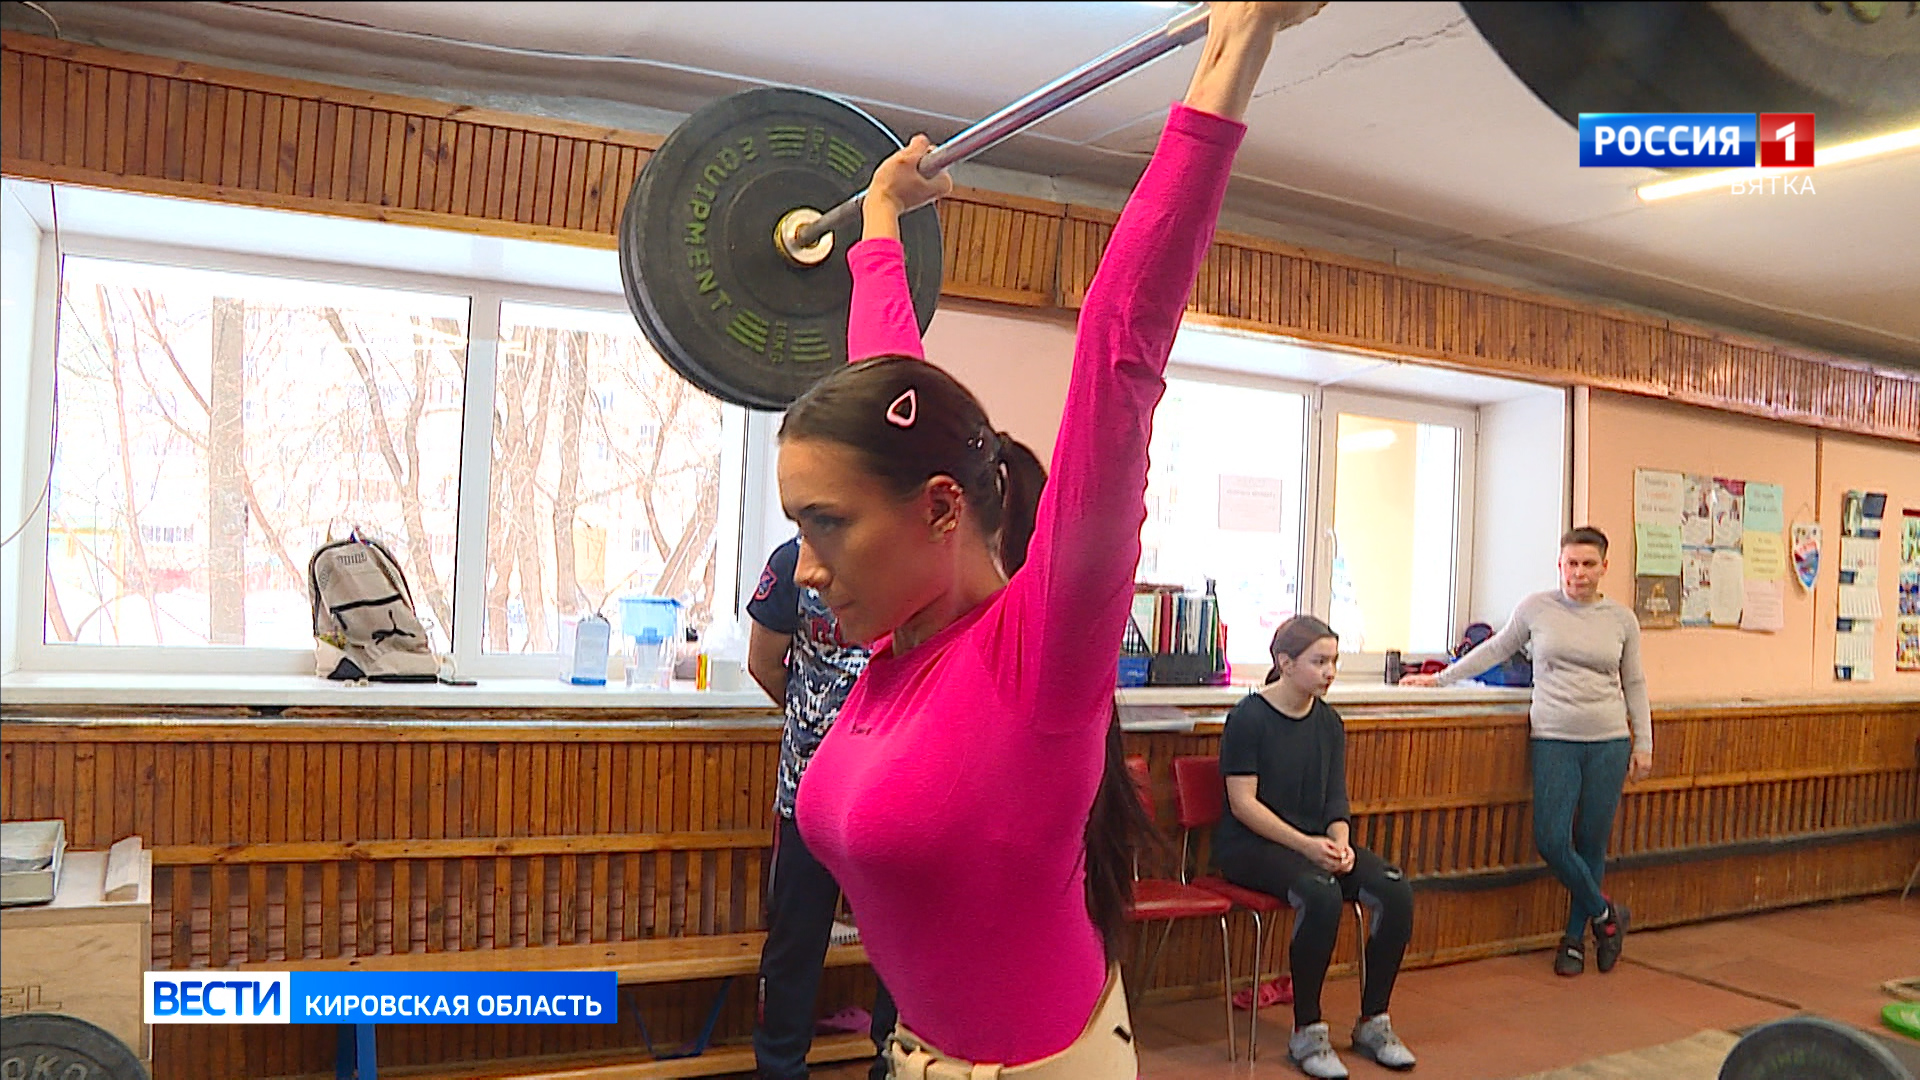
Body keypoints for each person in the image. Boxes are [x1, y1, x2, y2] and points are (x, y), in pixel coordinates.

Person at [778, 4, 1327, 1072]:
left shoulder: (1037, 654)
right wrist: (881, 227)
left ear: (942, 510)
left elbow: (1123, 348)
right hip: (923, 1057)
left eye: (825, 526)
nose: (806, 566)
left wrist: (1236, 46)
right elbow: (888, 395)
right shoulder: (896, 638)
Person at [1402, 526, 1653, 978]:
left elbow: (1633, 682)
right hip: (1554, 736)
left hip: (1609, 739)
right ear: (1560, 564)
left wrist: (1645, 743)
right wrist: (1438, 679)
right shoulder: (1537, 608)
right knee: (1552, 839)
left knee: (1591, 841)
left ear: (1604, 568)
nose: (1579, 573)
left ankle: (1574, 939)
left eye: (1588, 564)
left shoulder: (1621, 620)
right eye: (1571, 564)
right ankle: (1606, 916)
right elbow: (1495, 649)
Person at [1216, 616, 1416, 1077]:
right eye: (1319, 661)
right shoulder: (1248, 718)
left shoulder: (1328, 722)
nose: (1330, 672)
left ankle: (1374, 1021)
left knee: (1393, 889)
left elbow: (1335, 800)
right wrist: (1308, 846)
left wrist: (1340, 843)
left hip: (1314, 843)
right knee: (1320, 892)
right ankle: (1307, 1030)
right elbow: (1243, 804)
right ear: (1285, 663)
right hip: (1252, 847)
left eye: (1334, 662)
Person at [745, 537, 896, 1079]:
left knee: (901, 944)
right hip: (806, 793)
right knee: (794, 943)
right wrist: (817, 718)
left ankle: (894, 1065)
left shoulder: (903, 558)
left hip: (892, 793)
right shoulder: (793, 562)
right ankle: (780, 1067)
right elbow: (764, 664)